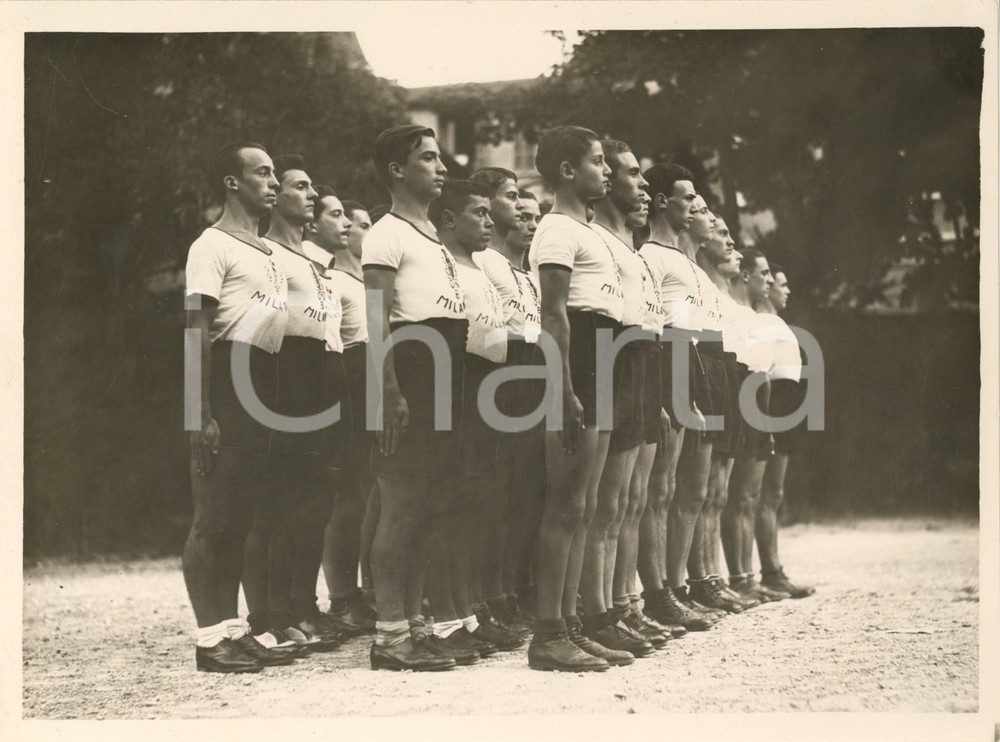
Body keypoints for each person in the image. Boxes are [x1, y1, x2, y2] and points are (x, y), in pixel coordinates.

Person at [183, 141, 302, 672]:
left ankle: (235, 629)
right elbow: (195, 331)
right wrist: (198, 413)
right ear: (233, 183)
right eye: (263, 173)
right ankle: (211, 639)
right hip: (228, 380)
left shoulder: (267, 251)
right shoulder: (210, 246)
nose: (273, 182)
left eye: (276, 173)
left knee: (241, 516)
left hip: (266, 380)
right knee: (214, 516)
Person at [362, 124, 466, 672]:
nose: (441, 165)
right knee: (401, 506)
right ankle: (388, 633)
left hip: (446, 368)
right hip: (410, 368)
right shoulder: (385, 234)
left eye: (439, 156)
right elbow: (377, 321)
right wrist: (388, 391)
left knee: (433, 504)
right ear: (398, 170)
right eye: (428, 157)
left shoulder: (429, 231)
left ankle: (418, 623)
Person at [527, 125, 630, 672]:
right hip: (578, 361)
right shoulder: (556, 229)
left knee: (585, 506)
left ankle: (568, 626)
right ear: (568, 171)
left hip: (604, 355)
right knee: (565, 504)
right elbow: (553, 315)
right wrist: (562, 388)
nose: (607, 170)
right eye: (597, 161)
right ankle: (546, 635)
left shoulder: (590, 231)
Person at [242, 155, 344, 653]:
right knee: (277, 502)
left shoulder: (315, 259)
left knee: (316, 502)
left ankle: (304, 605)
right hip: (285, 381)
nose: (309, 194)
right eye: (299, 187)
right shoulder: (266, 254)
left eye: (309, 187)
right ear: (277, 196)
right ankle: (269, 612)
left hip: (323, 380)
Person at [425, 179, 514, 663]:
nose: (488, 221)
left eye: (488, 213)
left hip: (487, 386)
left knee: (476, 507)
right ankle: (443, 618)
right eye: (477, 213)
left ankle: (467, 614)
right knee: (450, 504)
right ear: (448, 220)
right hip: (458, 383)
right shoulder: (443, 268)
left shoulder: (480, 267)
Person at [582, 139, 662, 656]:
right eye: (631, 173)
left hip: (641, 359)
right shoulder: (592, 238)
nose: (642, 183)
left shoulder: (629, 247)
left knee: (628, 501)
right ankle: (598, 613)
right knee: (603, 504)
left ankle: (622, 605)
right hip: (609, 357)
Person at [637, 164, 717, 632]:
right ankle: (656, 593)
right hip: (665, 359)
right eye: (686, 199)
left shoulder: (683, 259)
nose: (693, 207)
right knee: (660, 487)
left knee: (682, 487)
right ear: (663, 201)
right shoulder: (651, 255)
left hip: (689, 358)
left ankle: (676, 586)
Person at [300, 187, 372, 638]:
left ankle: (350, 595)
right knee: (339, 496)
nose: (347, 224)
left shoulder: (345, 276)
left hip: (356, 377)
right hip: (338, 376)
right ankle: (339, 597)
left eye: (353, 219)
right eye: (339, 215)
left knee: (356, 494)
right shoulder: (320, 273)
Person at [465, 167, 532, 639]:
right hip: (499, 374)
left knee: (517, 494)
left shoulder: (515, 268)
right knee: (490, 495)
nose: (519, 209)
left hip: (527, 369)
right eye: (509, 197)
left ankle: (507, 593)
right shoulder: (482, 260)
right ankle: (484, 599)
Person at [316, 198, 380, 632]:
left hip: (377, 375)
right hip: (350, 378)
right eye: (360, 224)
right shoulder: (333, 280)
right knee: (347, 495)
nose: (365, 230)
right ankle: (341, 597)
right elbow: (332, 343)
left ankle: (368, 590)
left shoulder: (368, 281)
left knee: (373, 492)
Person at [692, 218, 760, 611]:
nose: (731, 242)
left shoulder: (723, 296)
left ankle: (711, 577)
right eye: (722, 234)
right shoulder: (700, 284)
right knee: (699, 491)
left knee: (717, 490)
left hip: (731, 375)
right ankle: (699, 580)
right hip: (707, 370)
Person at [721, 249, 791, 602]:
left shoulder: (752, 317)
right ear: (745, 275)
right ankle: (738, 576)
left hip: (758, 406)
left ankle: (747, 576)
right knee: (738, 496)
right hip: (741, 404)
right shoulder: (733, 312)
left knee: (748, 497)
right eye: (762, 273)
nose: (768, 279)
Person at [755, 265, 815, 598]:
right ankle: (768, 571)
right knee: (766, 494)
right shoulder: (761, 323)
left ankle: (773, 569)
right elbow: (761, 375)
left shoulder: (776, 323)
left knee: (774, 494)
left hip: (786, 405)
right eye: (782, 283)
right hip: (773, 405)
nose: (786, 289)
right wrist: (767, 422)